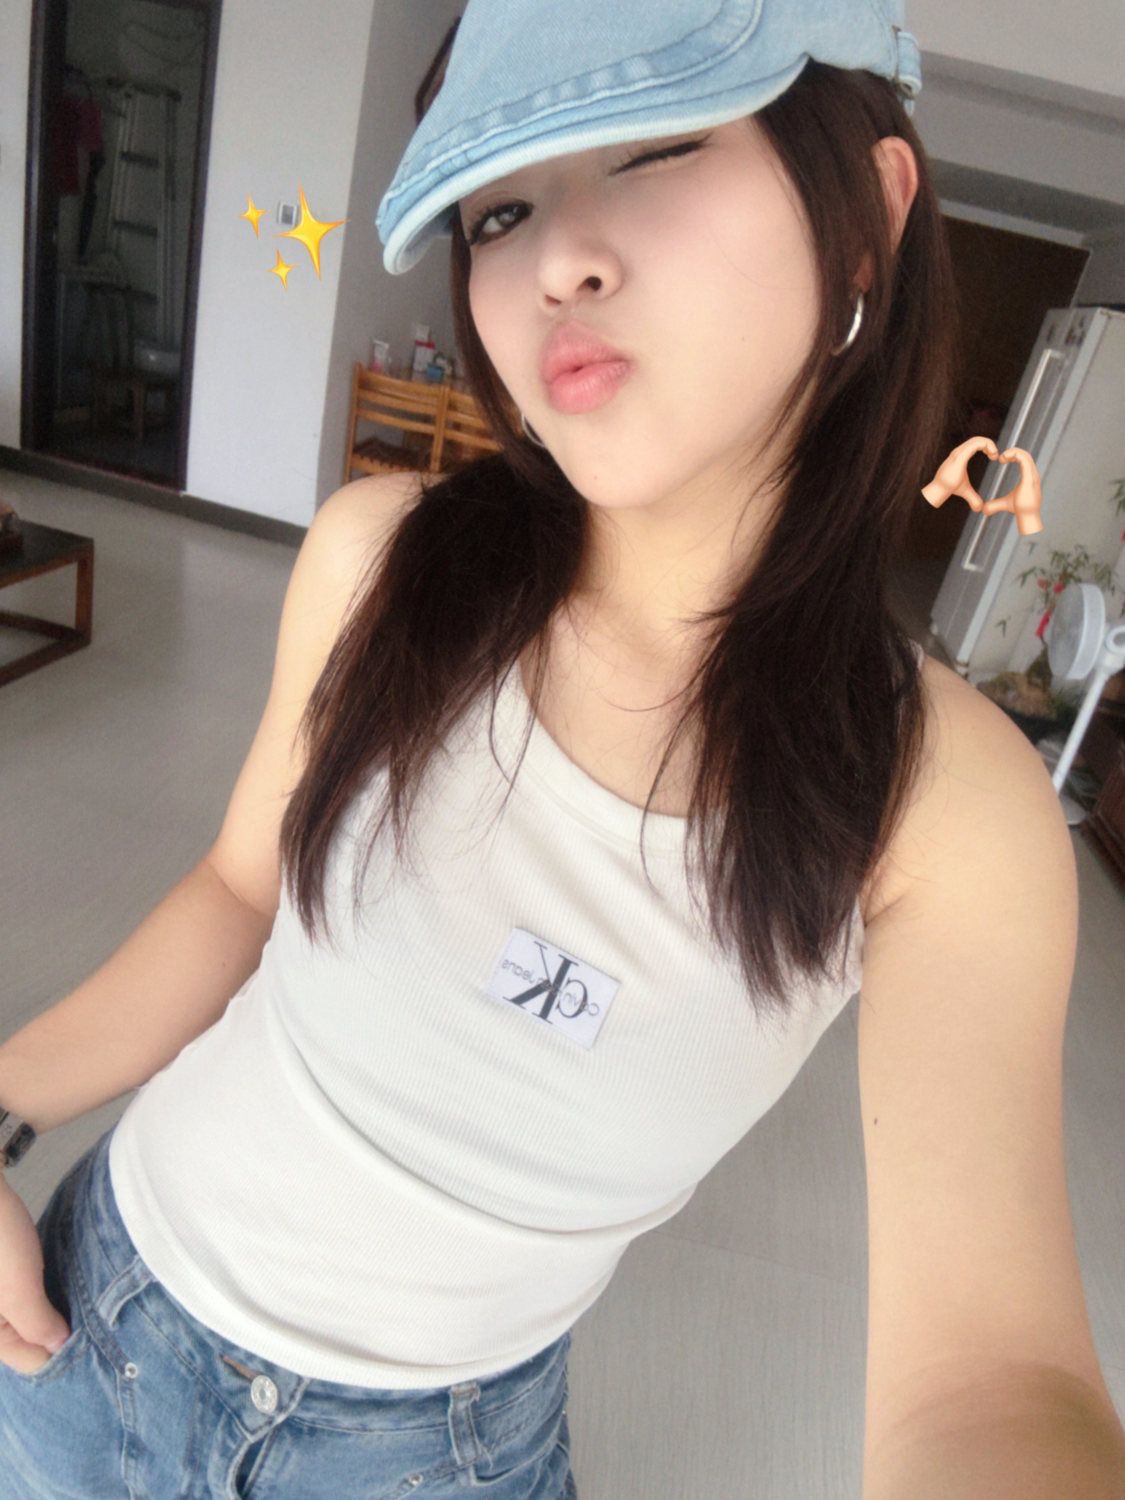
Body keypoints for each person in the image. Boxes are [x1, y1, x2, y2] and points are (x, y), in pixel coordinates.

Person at [3, 3, 1120, 1497]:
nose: (555, 263)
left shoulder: (942, 805)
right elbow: (238, 889)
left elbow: (993, 1379)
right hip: (87, 1327)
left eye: (655, 146)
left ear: (867, 216)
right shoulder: (380, 560)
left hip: (423, 1461)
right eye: (499, 209)